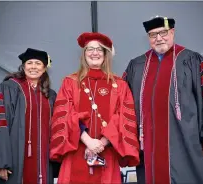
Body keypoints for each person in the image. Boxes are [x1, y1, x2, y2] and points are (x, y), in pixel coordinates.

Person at [122, 15, 203, 184]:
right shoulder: (136, 66)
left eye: (163, 32)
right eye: (153, 35)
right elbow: (123, 104)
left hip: (186, 144)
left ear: (172, 32)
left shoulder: (192, 61)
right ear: (148, 38)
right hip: (148, 146)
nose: (159, 38)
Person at [49, 32, 140, 184]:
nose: (94, 53)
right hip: (76, 150)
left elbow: (123, 117)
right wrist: (88, 141)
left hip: (106, 151)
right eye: (90, 49)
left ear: (105, 54)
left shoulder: (120, 85)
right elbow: (64, 115)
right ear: (84, 54)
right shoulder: (70, 82)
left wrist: (101, 143)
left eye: (99, 49)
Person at [0, 48, 59, 184]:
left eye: (38, 63)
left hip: (43, 161)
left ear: (44, 68)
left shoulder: (50, 95)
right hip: (14, 160)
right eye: (29, 63)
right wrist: (0, 162)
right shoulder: (9, 87)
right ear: (23, 66)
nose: (33, 67)